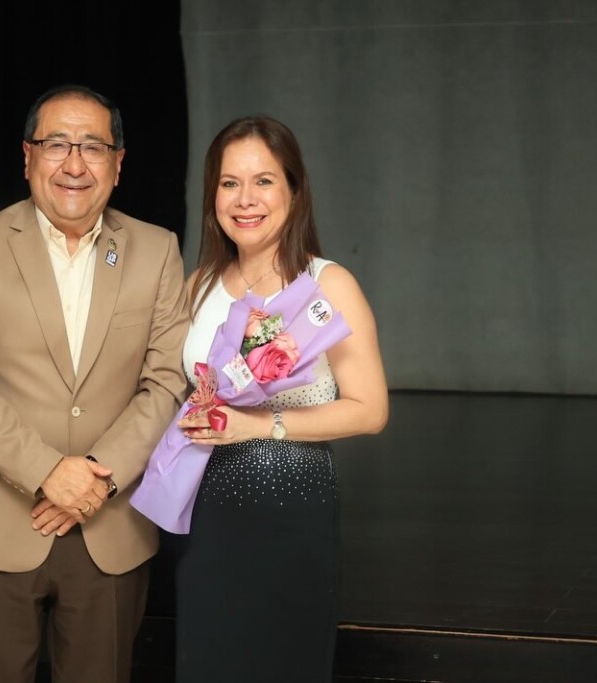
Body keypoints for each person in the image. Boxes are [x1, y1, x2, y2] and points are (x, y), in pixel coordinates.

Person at [0, 84, 189, 683]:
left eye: (93, 146)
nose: (74, 163)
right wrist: (48, 472)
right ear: (27, 156)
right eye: (56, 144)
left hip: (109, 524)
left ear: (118, 163)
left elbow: (168, 381)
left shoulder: (156, 250)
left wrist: (97, 478)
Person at [173, 116, 389, 682]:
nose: (245, 199)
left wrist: (258, 425)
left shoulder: (328, 284)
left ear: (294, 190)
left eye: (264, 181)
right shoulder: (198, 286)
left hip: (293, 508)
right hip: (206, 513)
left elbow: (370, 410)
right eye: (229, 183)